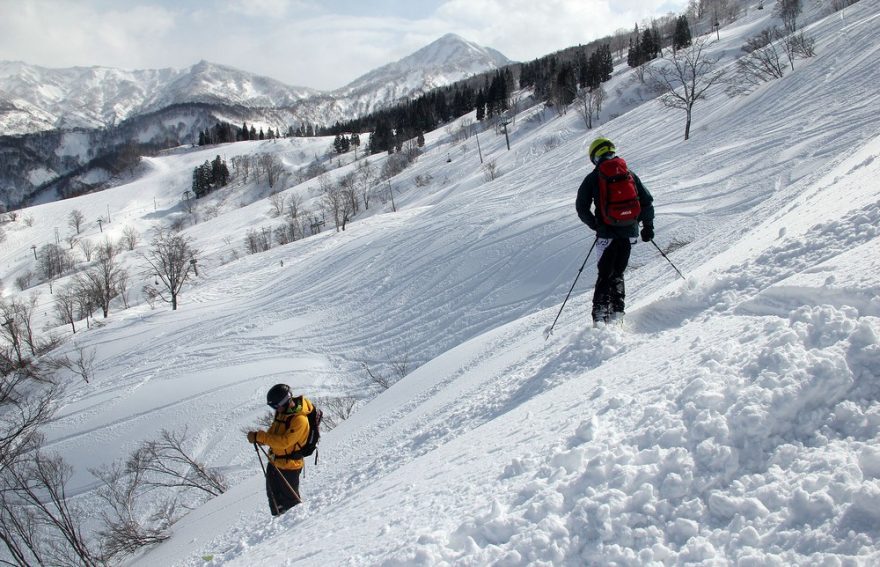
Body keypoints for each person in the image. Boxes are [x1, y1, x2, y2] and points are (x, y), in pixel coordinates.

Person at [575, 137, 655, 326]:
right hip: (628, 233)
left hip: (606, 235)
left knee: (604, 274)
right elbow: (646, 201)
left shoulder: (594, 177)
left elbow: (581, 207)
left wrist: (596, 225)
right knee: (618, 272)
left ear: (595, 157)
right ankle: (617, 310)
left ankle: (600, 315)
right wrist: (648, 227)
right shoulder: (629, 174)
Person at [247, 384, 314, 516]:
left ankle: (297, 527)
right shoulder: (282, 413)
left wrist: (261, 437)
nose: (275, 409)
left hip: (290, 466)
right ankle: (279, 529)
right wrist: (259, 439)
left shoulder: (300, 419)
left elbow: (284, 442)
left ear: (285, 401)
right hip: (274, 463)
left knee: (291, 504)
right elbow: (273, 433)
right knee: (275, 501)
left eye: (276, 406)